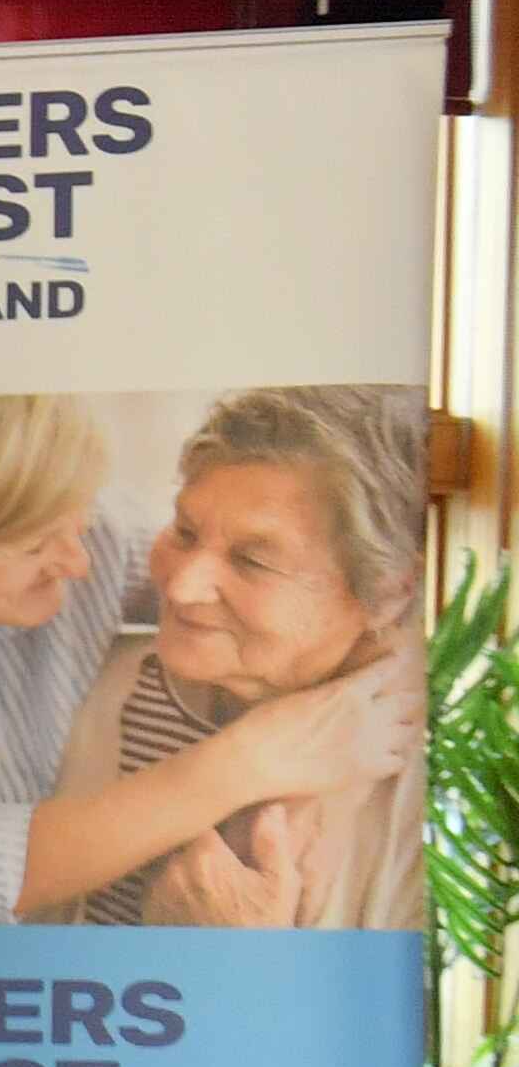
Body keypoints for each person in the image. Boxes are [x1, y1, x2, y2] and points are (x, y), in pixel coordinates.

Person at [0, 393, 397, 923]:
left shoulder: (75, 524)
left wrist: (387, 658)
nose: (82, 562)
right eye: (33, 547)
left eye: (77, 522)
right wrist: (249, 761)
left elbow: (314, 588)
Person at [39, 387, 428, 931]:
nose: (180, 588)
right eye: (185, 531)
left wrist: (243, 957)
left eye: (252, 560)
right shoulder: (94, 683)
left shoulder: (431, 786)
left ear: (389, 593)